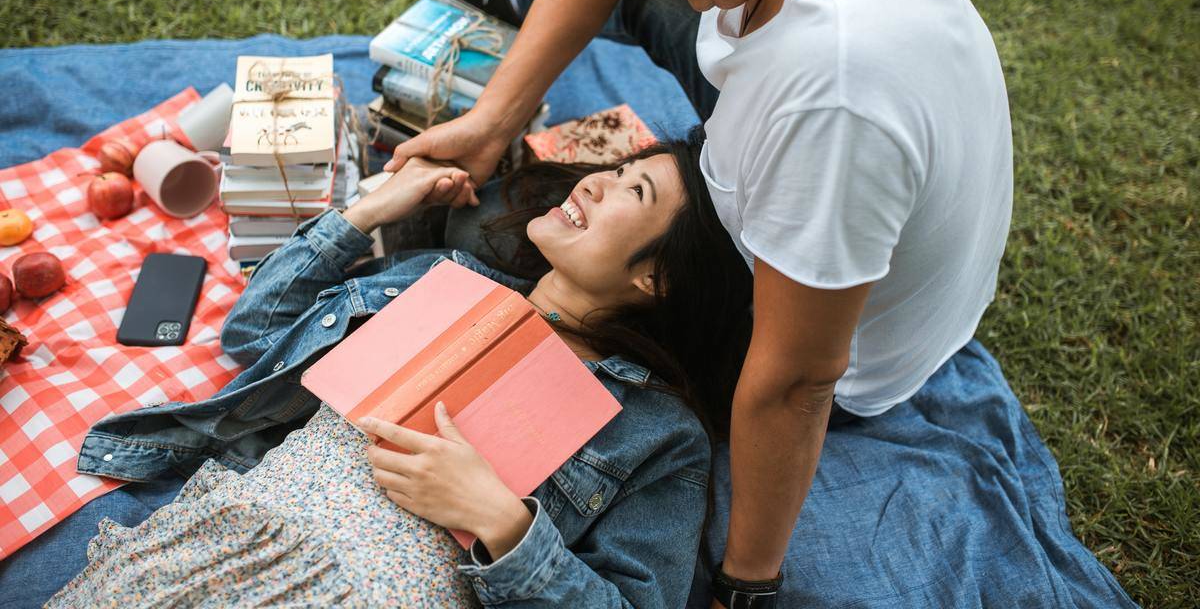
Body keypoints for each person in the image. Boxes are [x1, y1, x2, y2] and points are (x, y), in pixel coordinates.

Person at [388, 0, 1014, 605]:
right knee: (646, 2)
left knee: (487, 229)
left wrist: (745, 585)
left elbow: (798, 381)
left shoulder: (831, 109)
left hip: (842, 347)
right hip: (823, 169)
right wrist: (492, 122)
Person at [46, 133, 754, 608]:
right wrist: (365, 214)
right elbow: (257, 331)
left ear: (659, 279)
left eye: (634, 193)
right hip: (230, 537)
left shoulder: (659, 430)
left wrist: (504, 524)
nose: (599, 183)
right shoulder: (443, 281)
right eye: (618, 169)